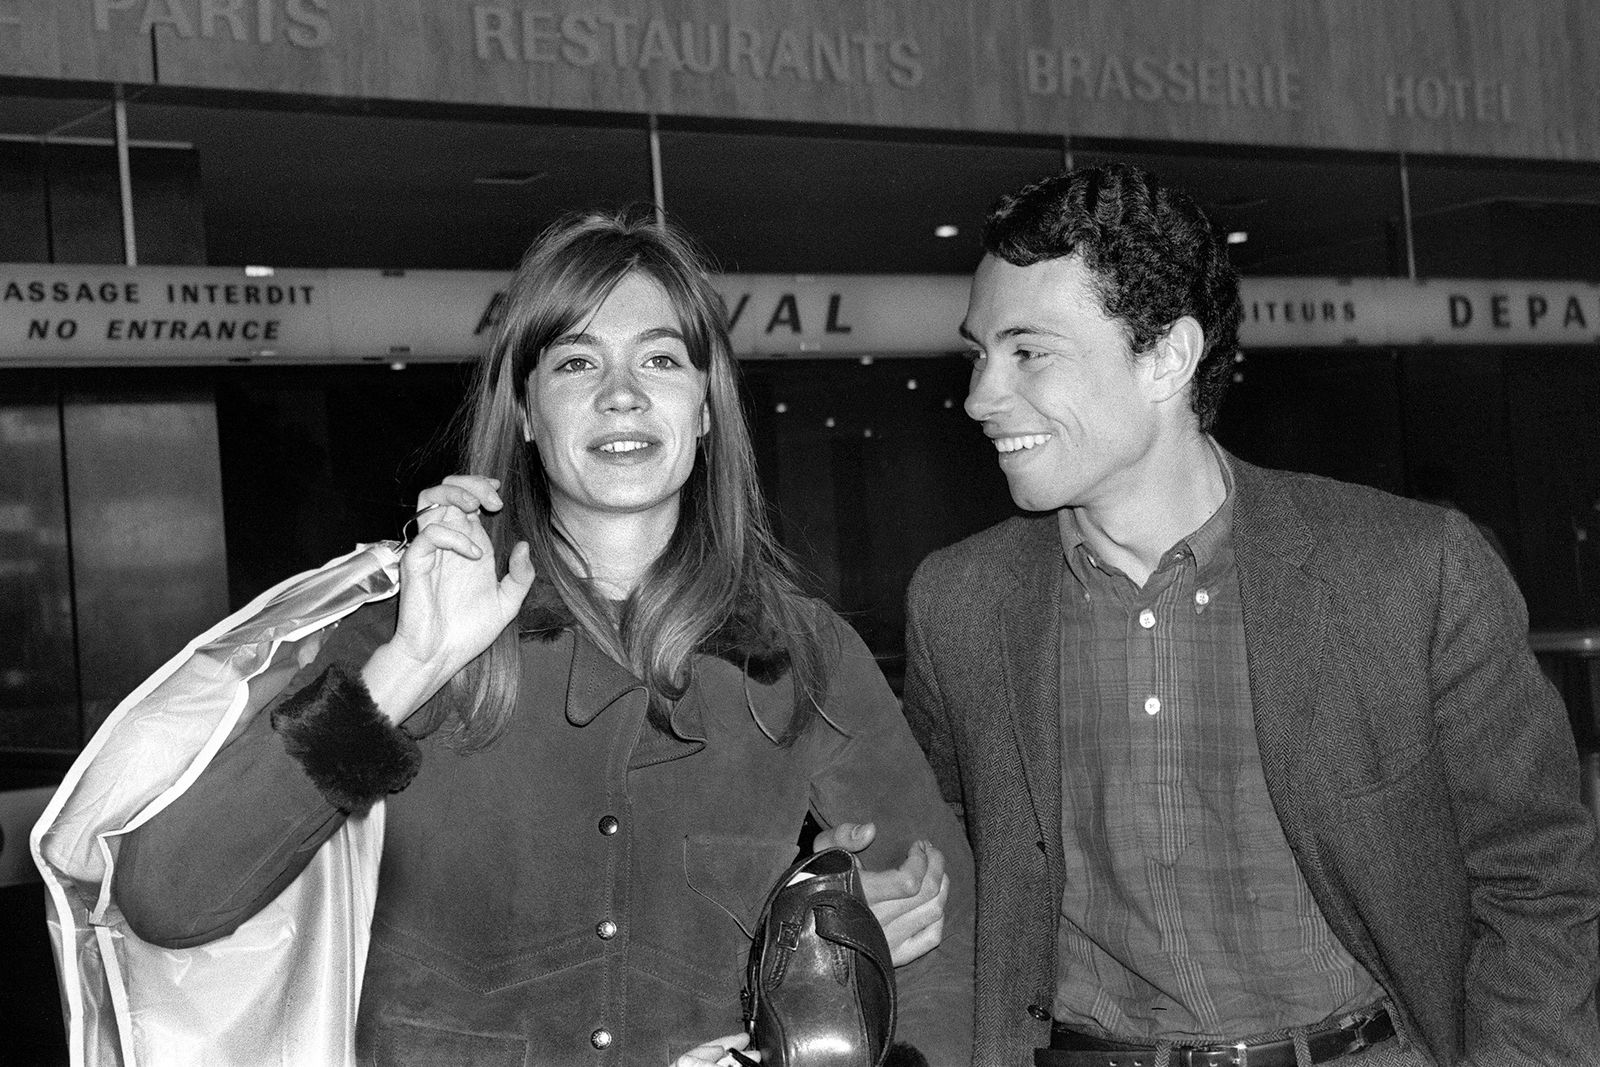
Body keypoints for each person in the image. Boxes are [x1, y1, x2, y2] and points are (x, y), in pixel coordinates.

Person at [112, 210, 973, 1066]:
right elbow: (167, 898)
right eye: (575, 361)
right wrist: (411, 666)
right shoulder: (412, 627)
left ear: (707, 411)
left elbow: (943, 941)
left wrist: (828, 955)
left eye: (662, 359)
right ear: (525, 412)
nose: (622, 392)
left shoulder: (805, 655)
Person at [902, 163, 1600, 1066]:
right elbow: (946, 868)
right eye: (979, 353)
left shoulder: (1407, 573)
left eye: (1028, 350)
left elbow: (1539, 882)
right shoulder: (960, 604)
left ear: (1166, 356)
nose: (980, 396)